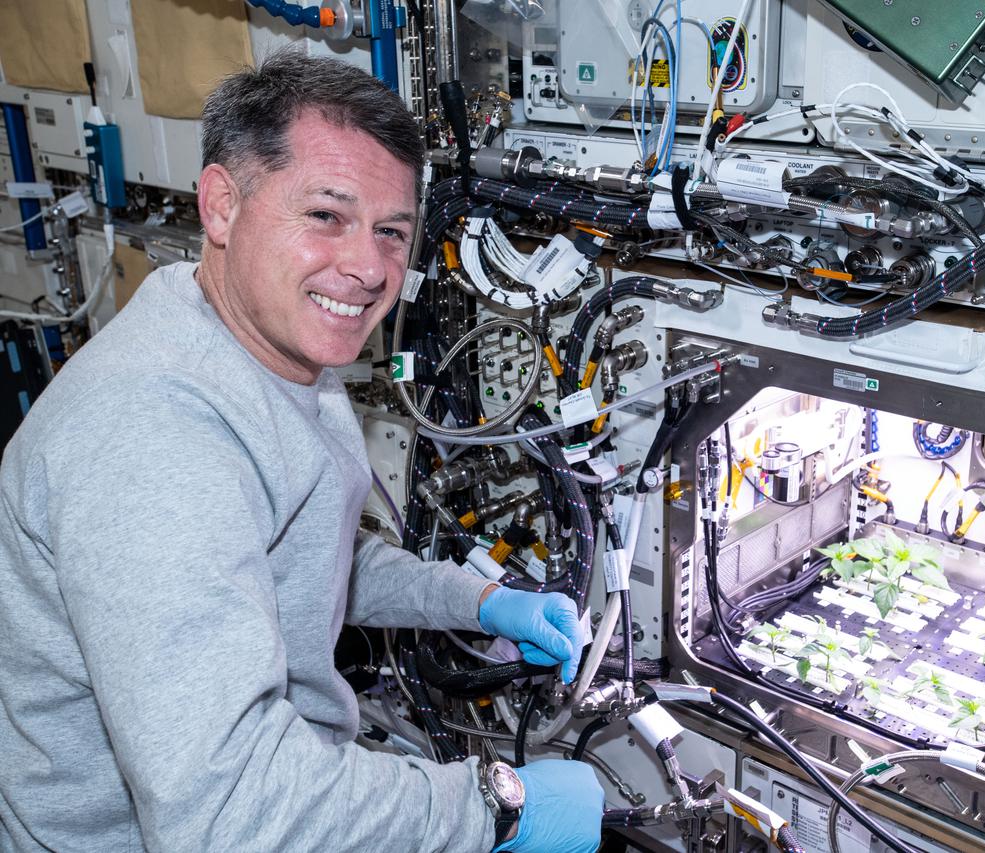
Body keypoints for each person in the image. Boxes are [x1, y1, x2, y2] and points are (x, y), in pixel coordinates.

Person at [0, 51, 603, 853]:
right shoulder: (152, 438)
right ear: (221, 205)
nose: (366, 267)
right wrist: (498, 804)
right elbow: (228, 814)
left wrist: (474, 601)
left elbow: (302, 554)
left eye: (391, 231)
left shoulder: (277, 360)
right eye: (327, 215)